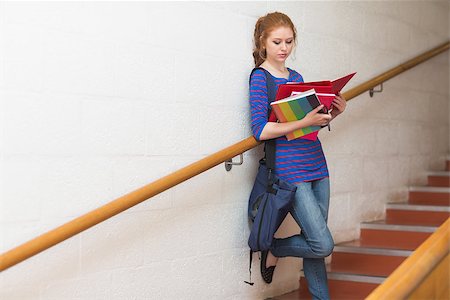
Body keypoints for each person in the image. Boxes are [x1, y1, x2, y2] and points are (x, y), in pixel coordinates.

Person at [248, 12, 347, 300]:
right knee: (322, 244)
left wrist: (332, 114)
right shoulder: (260, 78)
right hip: (290, 173)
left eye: (289, 41)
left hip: (316, 163)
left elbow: (307, 129)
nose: (284, 48)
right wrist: (305, 122)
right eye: (277, 41)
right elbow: (260, 130)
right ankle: (273, 248)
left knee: (315, 242)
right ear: (263, 43)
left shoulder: (297, 77)